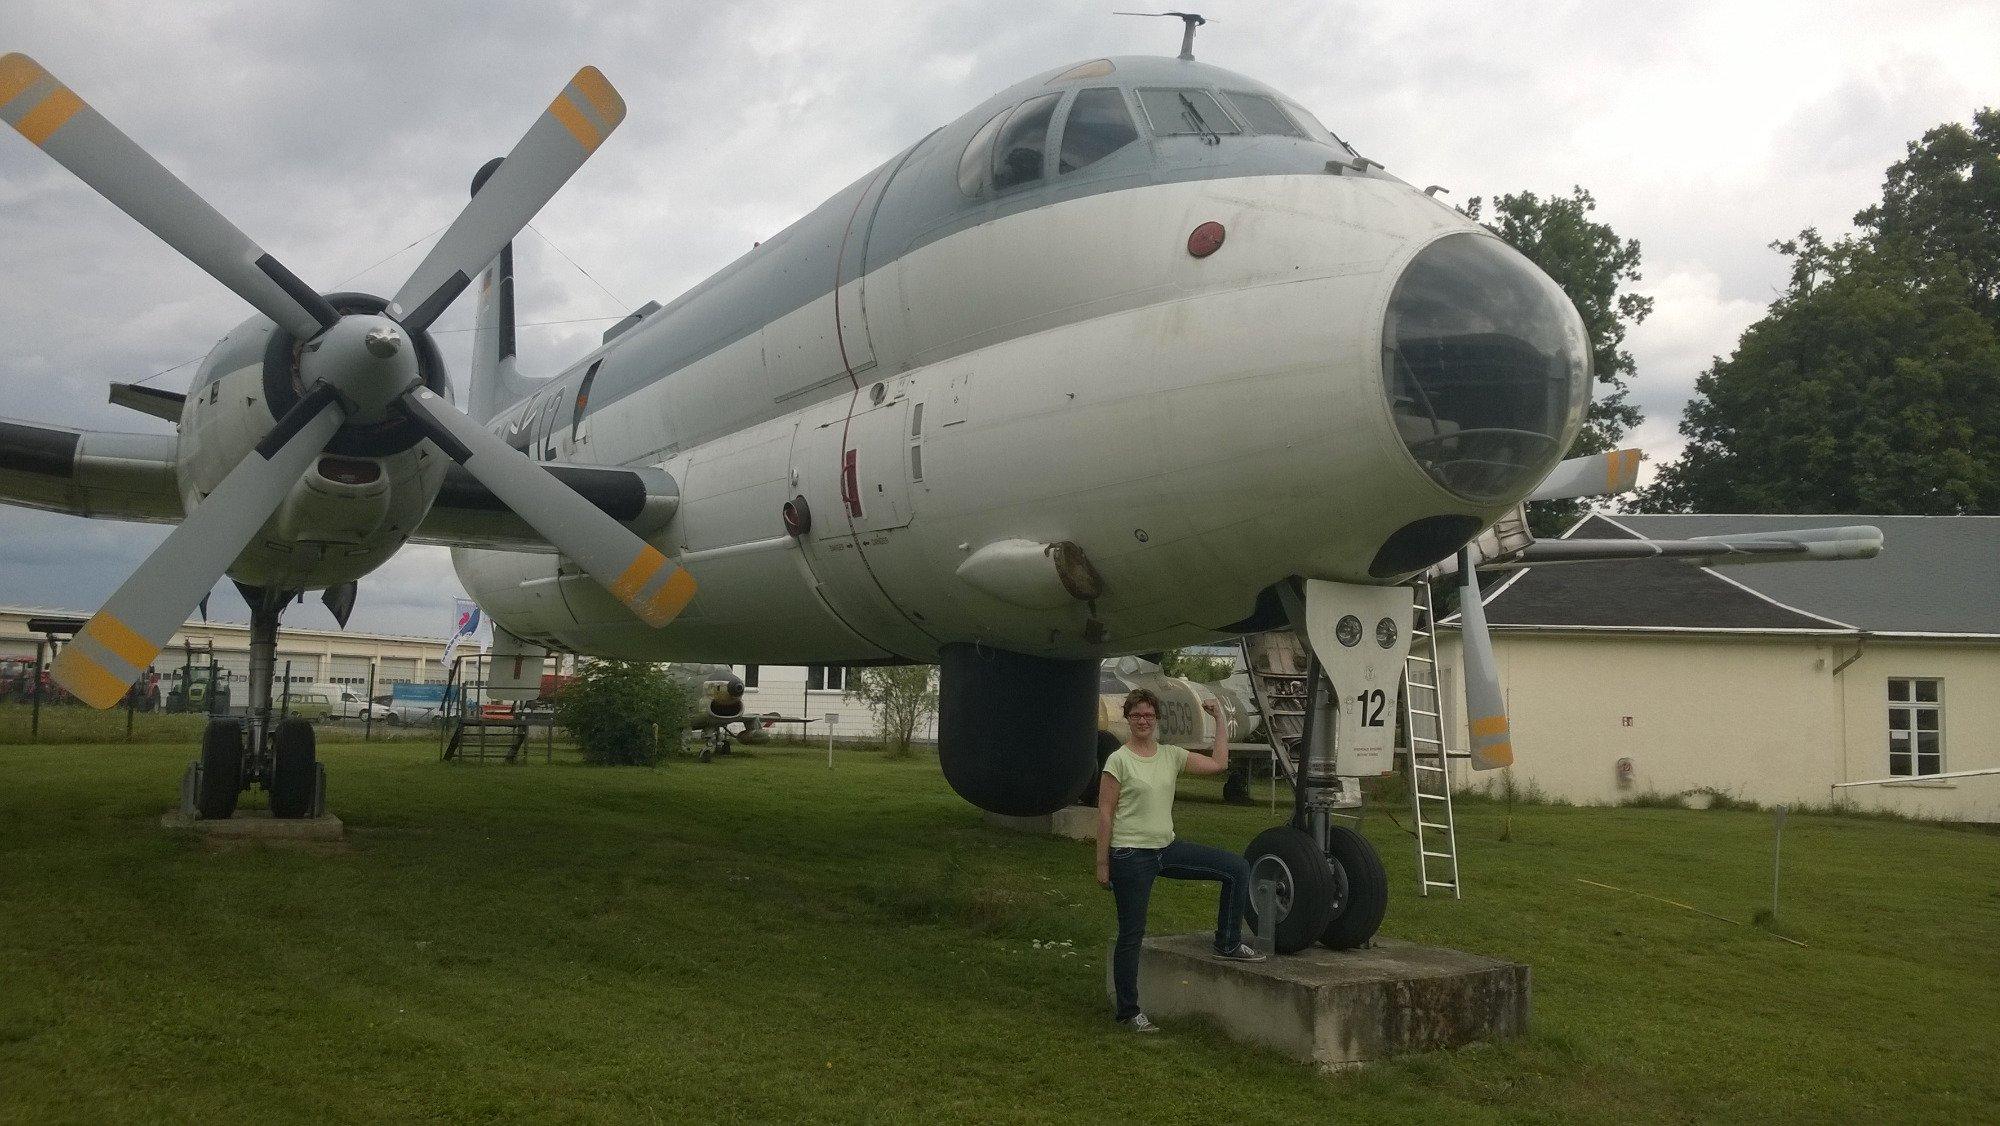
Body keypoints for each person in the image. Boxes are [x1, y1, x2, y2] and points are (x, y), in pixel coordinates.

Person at [1096, 687, 1261, 1032]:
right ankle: (1129, 1011)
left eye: (1149, 715)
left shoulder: (1170, 755)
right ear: (1128, 719)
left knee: (1236, 868)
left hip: (1166, 849)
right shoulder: (1118, 760)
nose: (1143, 720)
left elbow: (1218, 763)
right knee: (1132, 934)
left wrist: (1218, 719)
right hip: (1130, 855)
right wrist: (1102, 863)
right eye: (1137, 715)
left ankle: (1228, 942)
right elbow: (1106, 814)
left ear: (1157, 720)